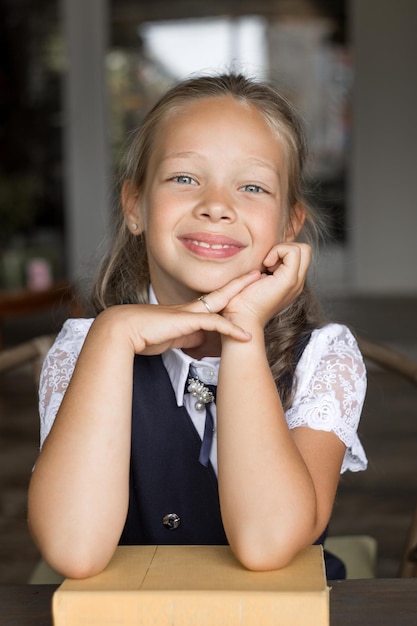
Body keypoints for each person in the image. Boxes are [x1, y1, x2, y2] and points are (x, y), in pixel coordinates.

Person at [28, 72, 367, 581]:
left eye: (251, 186)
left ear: (288, 225)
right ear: (135, 207)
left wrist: (245, 329)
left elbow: (267, 542)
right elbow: (74, 550)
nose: (216, 205)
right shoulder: (85, 347)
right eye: (185, 178)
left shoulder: (324, 359)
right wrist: (114, 334)